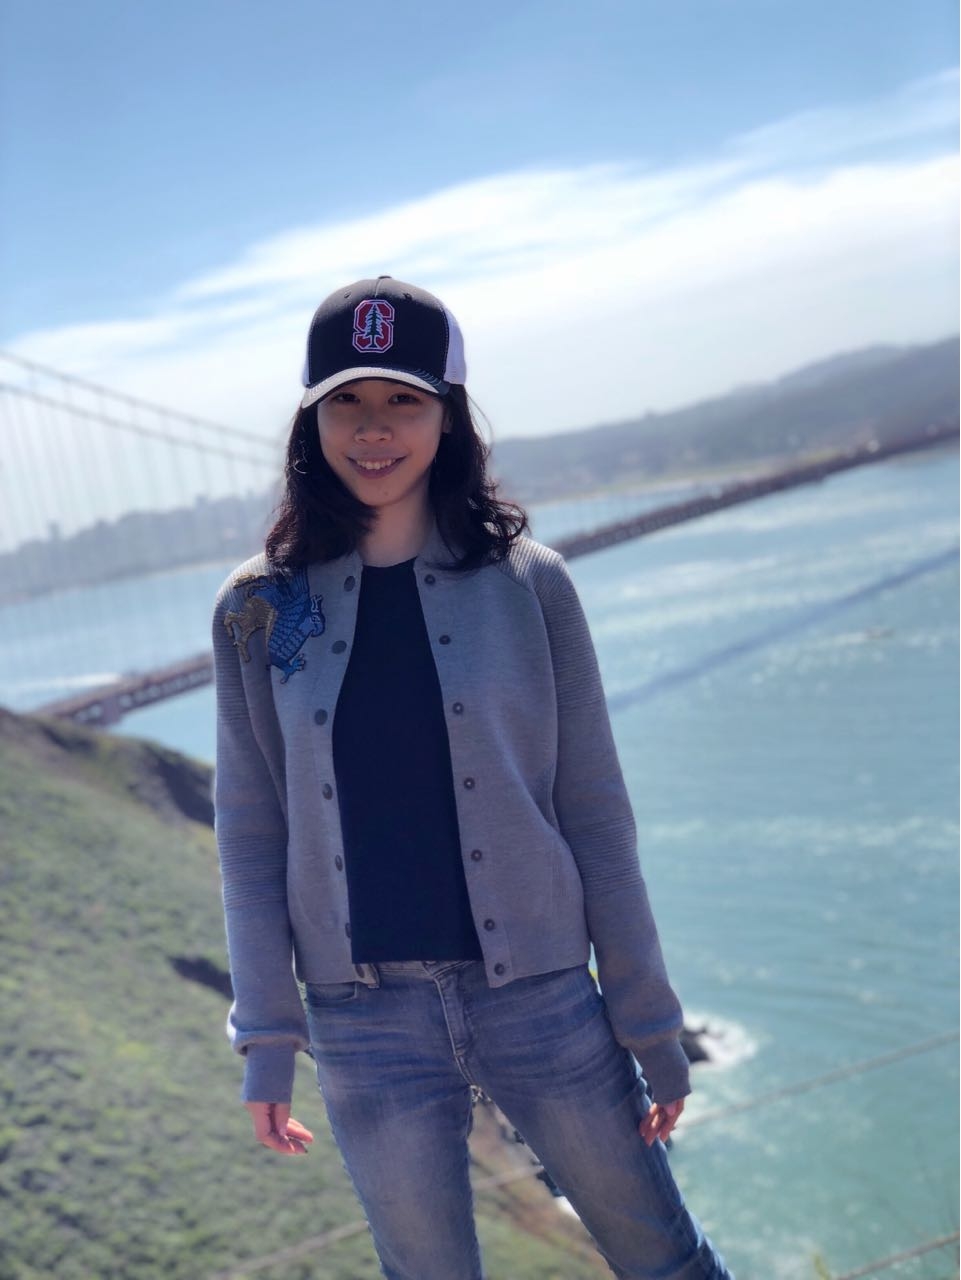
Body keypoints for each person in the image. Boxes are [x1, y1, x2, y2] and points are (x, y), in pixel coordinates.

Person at [212, 276, 733, 1279]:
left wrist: (650, 1024)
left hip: (541, 998)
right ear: (311, 421)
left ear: (447, 416)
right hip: (363, 1024)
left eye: (402, 400)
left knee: (663, 1260)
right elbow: (250, 832)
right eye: (346, 401)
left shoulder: (531, 582)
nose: (373, 428)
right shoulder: (256, 606)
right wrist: (268, 1036)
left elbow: (593, 812)